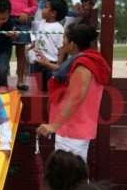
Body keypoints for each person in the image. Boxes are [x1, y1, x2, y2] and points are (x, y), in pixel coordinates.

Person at [36, 23, 110, 162]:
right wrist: (48, 64)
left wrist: (54, 125)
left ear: (72, 43)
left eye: (64, 37)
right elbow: (69, 73)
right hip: (75, 129)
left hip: (71, 130)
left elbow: (76, 98)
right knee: (74, 176)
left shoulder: (82, 64)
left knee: (69, 177)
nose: (62, 41)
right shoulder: (87, 59)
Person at [29, 0, 69, 91]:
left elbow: (61, 47)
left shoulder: (58, 28)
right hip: (37, 63)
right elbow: (39, 38)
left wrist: (58, 64)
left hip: (50, 64)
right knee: (39, 89)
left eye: (46, 7)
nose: (43, 9)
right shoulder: (41, 23)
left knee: (49, 89)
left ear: (53, 13)